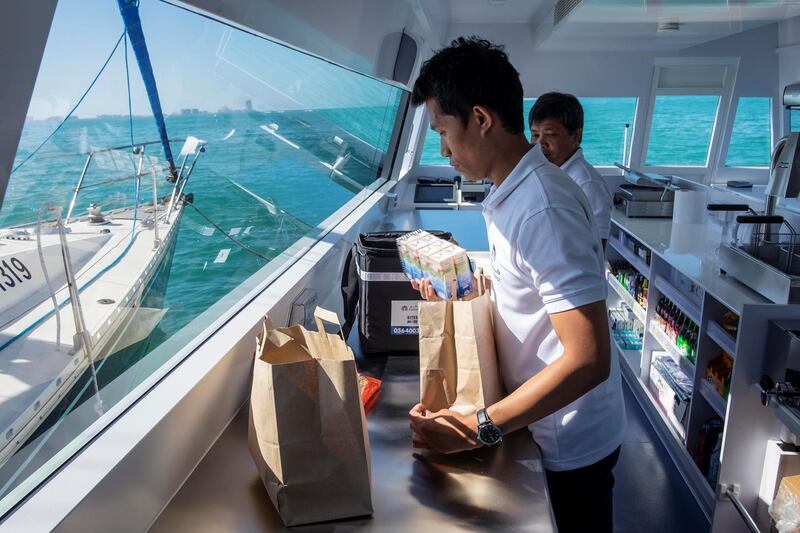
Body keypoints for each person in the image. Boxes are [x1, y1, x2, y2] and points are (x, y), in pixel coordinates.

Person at [408, 37, 625, 533]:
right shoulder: (512, 191)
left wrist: (478, 427)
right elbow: (528, 289)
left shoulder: (542, 206)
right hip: (540, 418)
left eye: (444, 131)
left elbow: (589, 358)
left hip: (570, 439)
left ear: (481, 119)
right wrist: (462, 288)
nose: (442, 151)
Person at [529, 92, 613, 249]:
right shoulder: (544, 173)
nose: (540, 144)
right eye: (535, 135)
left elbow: (597, 248)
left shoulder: (587, 183)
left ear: (576, 136)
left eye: (550, 135)